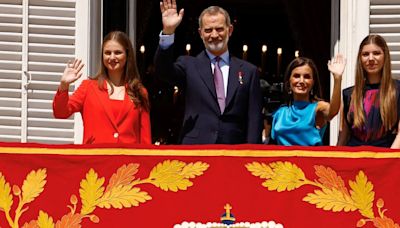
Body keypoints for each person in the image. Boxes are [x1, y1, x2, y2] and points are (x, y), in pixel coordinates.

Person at [154, 0, 263, 144]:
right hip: (196, 149)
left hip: (234, 151)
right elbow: (163, 70)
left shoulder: (249, 71)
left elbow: (254, 118)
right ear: (200, 33)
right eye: (208, 30)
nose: (214, 34)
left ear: (230, 30)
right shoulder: (189, 65)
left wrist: (251, 154)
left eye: (219, 29)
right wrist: (168, 32)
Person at [53, 31, 151, 144]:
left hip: (127, 161)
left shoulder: (139, 92)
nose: (112, 57)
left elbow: (145, 140)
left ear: (127, 55)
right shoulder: (88, 88)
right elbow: (60, 112)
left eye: (118, 52)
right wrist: (64, 86)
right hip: (95, 159)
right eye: (107, 53)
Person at [337, 34, 400, 148]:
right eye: (365, 54)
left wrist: (387, 161)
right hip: (355, 160)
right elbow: (342, 139)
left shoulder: (397, 89)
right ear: (360, 59)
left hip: (386, 158)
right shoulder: (349, 94)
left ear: (385, 56)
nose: (371, 59)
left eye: (376, 53)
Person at [270, 55, 346, 146]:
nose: (301, 81)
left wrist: (337, 78)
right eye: (296, 76)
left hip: (311, 159)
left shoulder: (318, 108)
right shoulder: (280, 112)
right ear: (289, 81)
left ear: (313, 82)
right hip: (283, 159)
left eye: (306, 77)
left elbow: (333, 111)